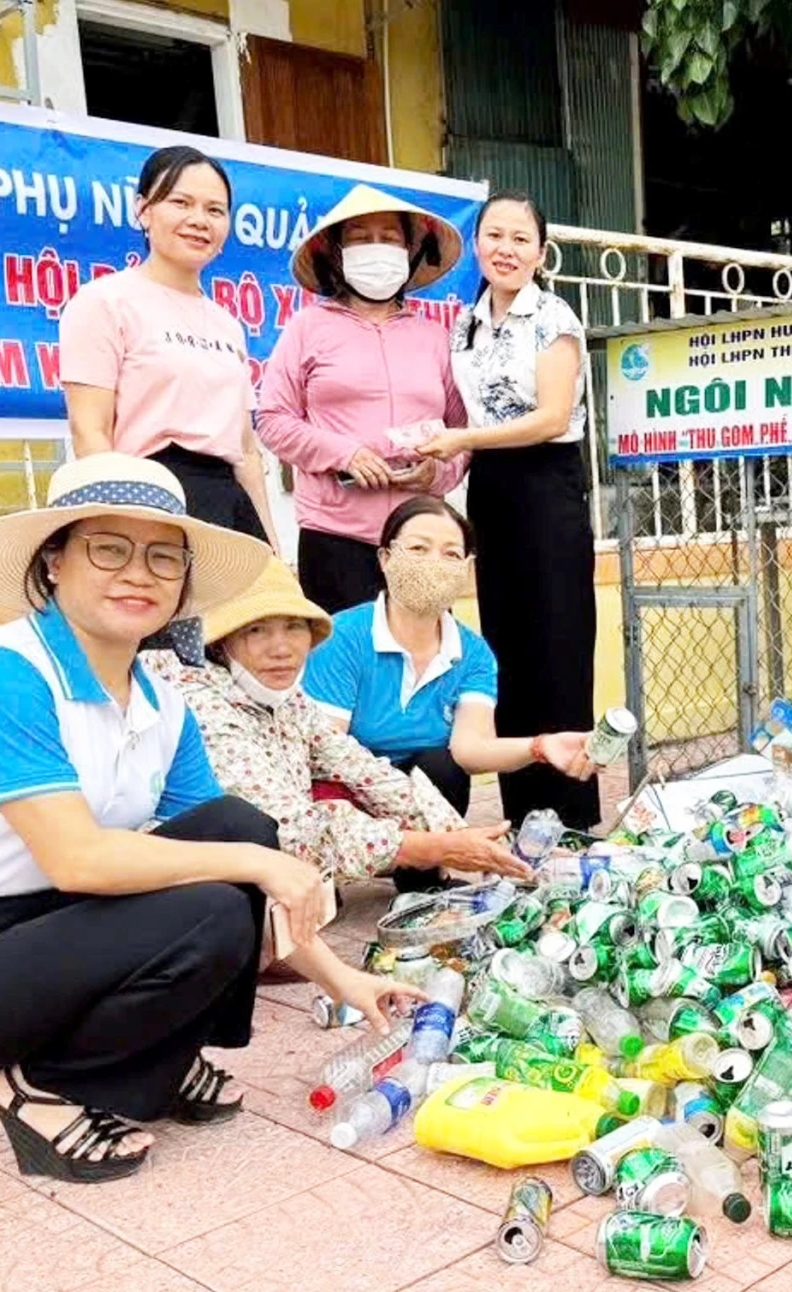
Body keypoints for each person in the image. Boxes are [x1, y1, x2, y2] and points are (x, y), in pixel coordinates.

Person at [0, 455, 420, 1184]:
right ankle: (45, 1084)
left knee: (238, 827)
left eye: (163, 557)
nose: (138, 573)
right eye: (108, 548)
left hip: (61, 921)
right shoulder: (3, 672)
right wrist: (261, 866)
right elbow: (79, 860)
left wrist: (339, 978)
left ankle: (158, 1057)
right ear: (54, 561)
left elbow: (236, 849)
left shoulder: (162, 705)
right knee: (216, 903)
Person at [150, 556, 533, 891]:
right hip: (176, 869)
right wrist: (428, 848)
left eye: (293, 627)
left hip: (263, 844)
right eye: (256, 630)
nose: (281, 648)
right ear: (222, 643)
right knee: (300, 867)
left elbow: (363, 770)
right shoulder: (199, 700)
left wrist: (464, 836)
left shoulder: (285, 698)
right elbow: (285, 824)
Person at [415, 190, 598, 829]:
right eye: (494, 236)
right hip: (491, 489)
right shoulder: (465, 322)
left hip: (547, 486)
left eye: (521, 238)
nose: (506, 249)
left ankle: (572, 817)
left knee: (559, 645)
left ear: (541, 252)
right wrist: (438, 457)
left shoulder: (555, 318)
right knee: (507, 650)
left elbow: (550, 418)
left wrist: (461, 439)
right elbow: (468, 419)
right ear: (478, 245)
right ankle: (526, 817)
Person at [302, 494, 597, 827]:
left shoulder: (474, 655)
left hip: (421, 796)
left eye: (451, 553)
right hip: (348, 789)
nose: (433, 563)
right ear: (385, 558)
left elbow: (470, 750)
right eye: (418, 549)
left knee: (444, 766)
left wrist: (540, 747)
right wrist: (398, 797)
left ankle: (423, 874)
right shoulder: (342, 636)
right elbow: (326, 748)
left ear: (466, 567)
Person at [259, 185, 472, 614]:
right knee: (341, 671)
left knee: (424, 669)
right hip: (335, 536)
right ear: (336, 252)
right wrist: (345, 453)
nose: (376, 247)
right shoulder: (307, 327)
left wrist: (438, 472)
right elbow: (273, 419)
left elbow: (464, 432)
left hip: (421, 537)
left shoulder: (433, 337)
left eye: (390, 237)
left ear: (411, 250)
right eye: (359, 237)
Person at [60, 147, 280, 551]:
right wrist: (119, 528)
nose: (199, 220)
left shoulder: (227, 324)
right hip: (148, 502)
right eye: (181, 202)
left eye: (215, 210)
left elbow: (245, 450)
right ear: (143, 210)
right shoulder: (103, 302)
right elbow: (90, 432)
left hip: (229, 509)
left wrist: (269, 545)